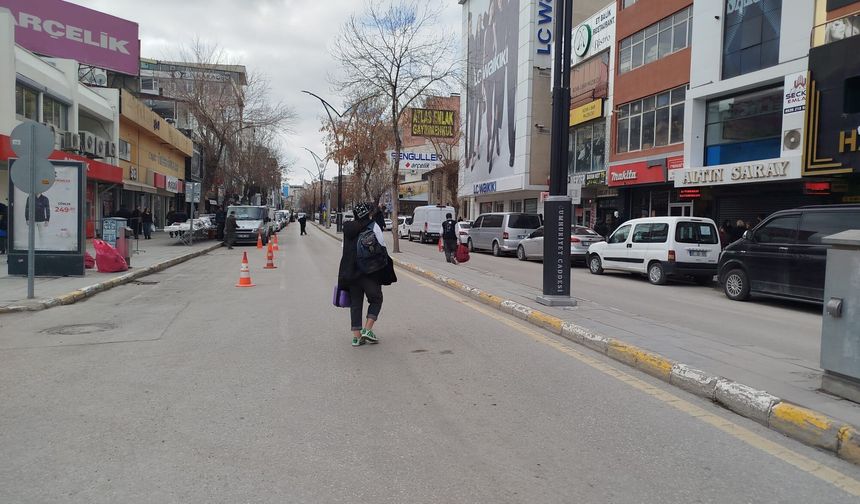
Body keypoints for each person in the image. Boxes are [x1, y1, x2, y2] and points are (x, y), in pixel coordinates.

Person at [338, 202, 397, 347]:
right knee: (376, 299)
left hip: (351, 273)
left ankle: (356, 337)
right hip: (370, 272)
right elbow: (382, 246)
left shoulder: (347, 229)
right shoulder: (373, 226)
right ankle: (367, 329)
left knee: (356, 304)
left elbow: (344, 249)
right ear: (368, 213)